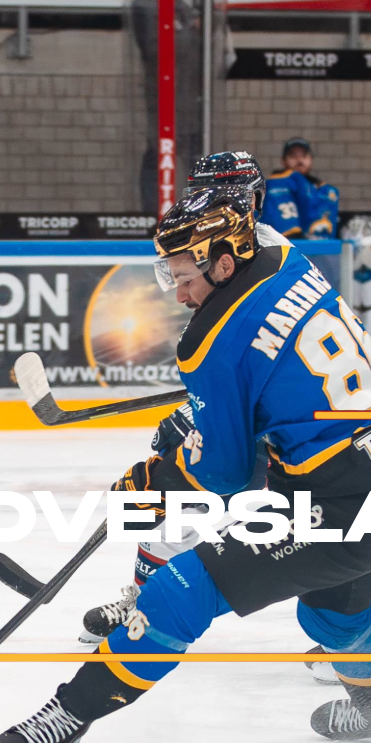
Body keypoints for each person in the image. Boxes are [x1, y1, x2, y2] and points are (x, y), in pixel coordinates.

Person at [0, 188, 371, 743]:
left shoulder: (208, 343)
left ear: (224, 262)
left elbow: (223, 474)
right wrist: (207, 414)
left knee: (180, 591)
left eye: (185, 275)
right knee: (332, 618)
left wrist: (161, 474)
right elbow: (275, 376)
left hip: (337, 507)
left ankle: (68, 715)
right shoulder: (285, 258)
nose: (179, 290)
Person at [78, 152, 280, 645]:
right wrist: (195, 411)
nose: (199, 204)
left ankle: (343, 631)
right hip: (246, 418)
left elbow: (260, 367)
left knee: (314, 533)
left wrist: (195, 413)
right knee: (175, 500)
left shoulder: (266, 261)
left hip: (285, 429)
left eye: (215, 194)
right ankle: (145, 603)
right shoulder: (225, 248)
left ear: (247, 199)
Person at [264, 137, 341, 239]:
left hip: (321, 249)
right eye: (293, 156)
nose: (299, 160)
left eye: (304, 156)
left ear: (311, 160)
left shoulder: (324, 190)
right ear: (283, 161)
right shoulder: (274, 185)